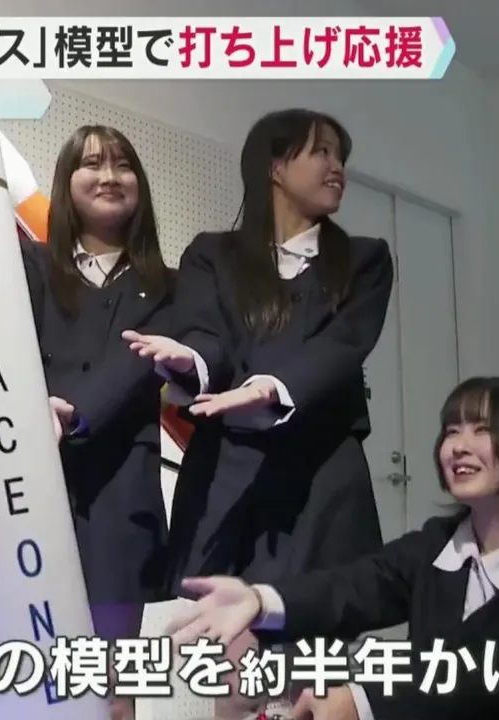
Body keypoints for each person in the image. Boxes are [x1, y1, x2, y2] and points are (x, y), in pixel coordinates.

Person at [124, 109, 392, 716]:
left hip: (322, 478)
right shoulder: (212, 255)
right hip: (229, 474)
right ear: (274, 166)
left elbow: (342, 346)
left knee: (312, 676)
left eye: (340, 156)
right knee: (232, 676)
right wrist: (190, 360)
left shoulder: (364, 259)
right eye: (320, 152)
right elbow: (207, 336)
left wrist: (271, 387)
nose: (337, 168)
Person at [169, 377, 499, 720]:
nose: (458, 446)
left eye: (481, 430)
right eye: (451, 431)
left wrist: (361, 702)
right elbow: (353, 586)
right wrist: (259, 600)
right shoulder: (435, 546)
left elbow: (491, 663)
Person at [19, 125, 172, 720]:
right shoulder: (28, 265)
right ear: (67, 182)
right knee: (34, 684)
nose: (108, 176)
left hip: (121, 498)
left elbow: (138, 366)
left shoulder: (169, 285)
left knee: (112, 690)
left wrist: (69, 411)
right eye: (91, 165)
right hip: (33, 492)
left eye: (122, 165)